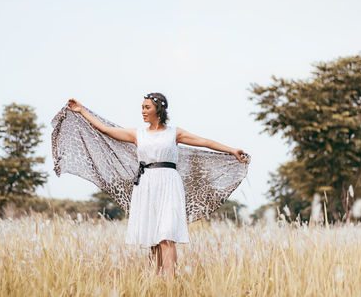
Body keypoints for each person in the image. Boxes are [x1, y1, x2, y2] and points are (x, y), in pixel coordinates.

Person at [66, 92, 248, 279]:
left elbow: (205, 142)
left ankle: (170, 282)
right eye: (142, 108)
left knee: (166, 235)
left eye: (147, 108)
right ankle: (154, 280)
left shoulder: (174, 133)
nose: (143, 111)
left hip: (169, 183)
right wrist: (82, 111)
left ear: (158, 110)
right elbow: (105, 129)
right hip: (146, 184)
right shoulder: (138, 134)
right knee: (152, 236)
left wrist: (231, 150)